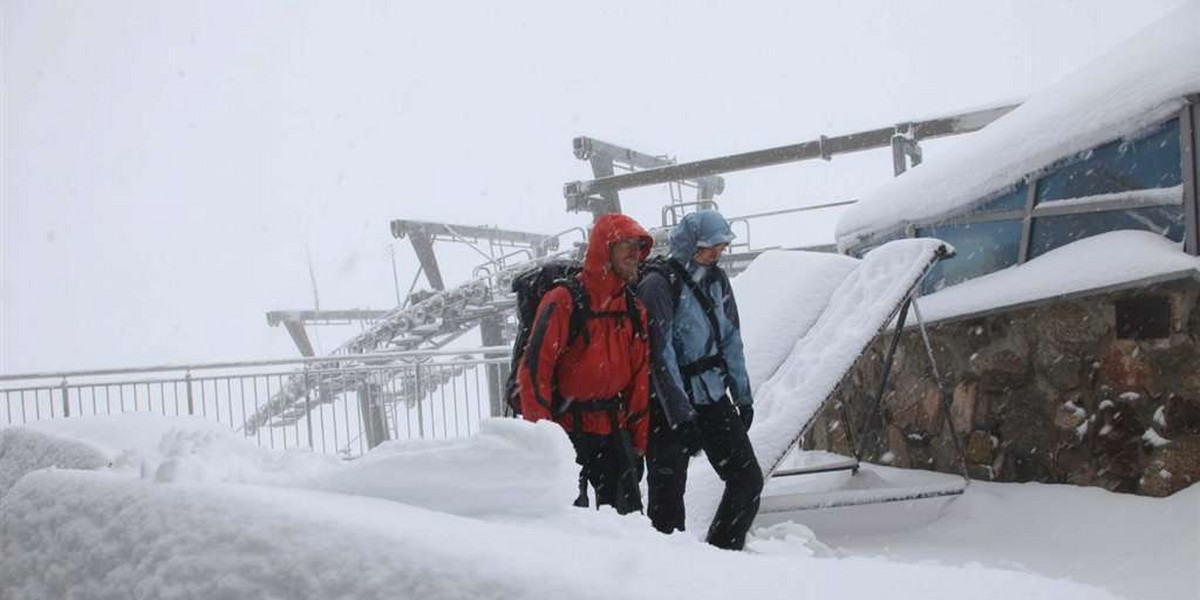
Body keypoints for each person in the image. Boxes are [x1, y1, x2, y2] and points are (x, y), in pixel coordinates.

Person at [638, 210, 762, 550]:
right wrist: (680, 416)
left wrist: (743, 396)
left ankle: (723, 555)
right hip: (668, 408)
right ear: (691, 243)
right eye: (711, 247)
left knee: (747, 480)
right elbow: (659, 356)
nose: (716, 254)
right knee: (667, 500)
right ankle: (670, 575)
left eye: (721, 247)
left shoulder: (717, 281)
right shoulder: (659, 284)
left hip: (712, 397)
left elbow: (731, 338)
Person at [517, 213, 653, 514]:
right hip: (566, 432)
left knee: (626, 523)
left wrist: (638, 438)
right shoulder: (563, 301)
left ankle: (624, 563)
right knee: (568, 527)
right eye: (625, 245)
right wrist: (544, 440)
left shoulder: (632, 308)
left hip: (613, 429)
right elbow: (534, 371)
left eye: (638, 246)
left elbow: (639, 378)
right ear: (605, 251)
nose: (635, 254)